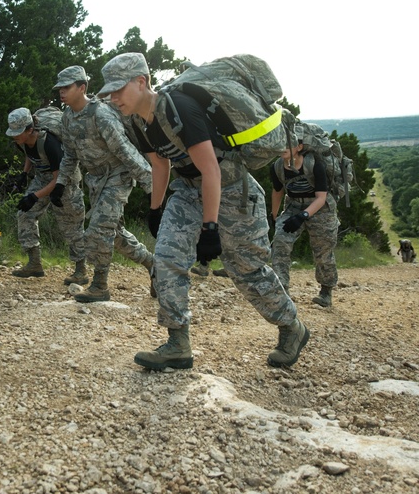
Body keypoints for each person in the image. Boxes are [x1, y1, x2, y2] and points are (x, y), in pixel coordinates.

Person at [99, 52, 309, 370]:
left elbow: (211, 169)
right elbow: (159, 162)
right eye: (109, 92)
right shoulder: (135, 120)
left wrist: (210, 228)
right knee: (167, 257)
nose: (113, 98)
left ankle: (292, 327)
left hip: (231, 187)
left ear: (141, 82)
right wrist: (156, 209)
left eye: (119, 89)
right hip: (187, 188)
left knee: (245, 268)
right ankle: (177, 344)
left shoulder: (177, 107)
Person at [53, 65, 156, 302]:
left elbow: (125, 151)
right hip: (96, 179)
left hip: (118, 174)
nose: (62, 92)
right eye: (60, 88)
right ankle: (152, 264)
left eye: (67, 87)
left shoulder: (101, 114)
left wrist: (151, 186)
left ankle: (100, 285)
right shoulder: (67, 118)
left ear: (82, 87)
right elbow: (69, 155)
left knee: (98, 228)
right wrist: (60, 183)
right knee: (114, 234)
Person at [5, 107, 88, 284]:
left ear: (30, 129)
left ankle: (81, 270)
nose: (15, 137)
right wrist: (24, 174)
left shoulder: (50, 143)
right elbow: (30, 153)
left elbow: (58, 179)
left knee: (71, 225)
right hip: (43, 178)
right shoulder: (21, 140)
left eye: (18, 133)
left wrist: (34, 197)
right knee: (25, 214)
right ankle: (34, 264)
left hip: (64, 182)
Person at [269, 127, 340, 307]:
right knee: (280, 243)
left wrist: (303, 216)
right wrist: (275, 215)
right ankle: (282, 289)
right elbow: (278, 191)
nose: (283, 147)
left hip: (321, 208)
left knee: (323, 250)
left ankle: (326, 291)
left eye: (288, 143)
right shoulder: (277, 166)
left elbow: (321, 197)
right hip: (293, 205)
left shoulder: (315, 164)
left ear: (299, 146)